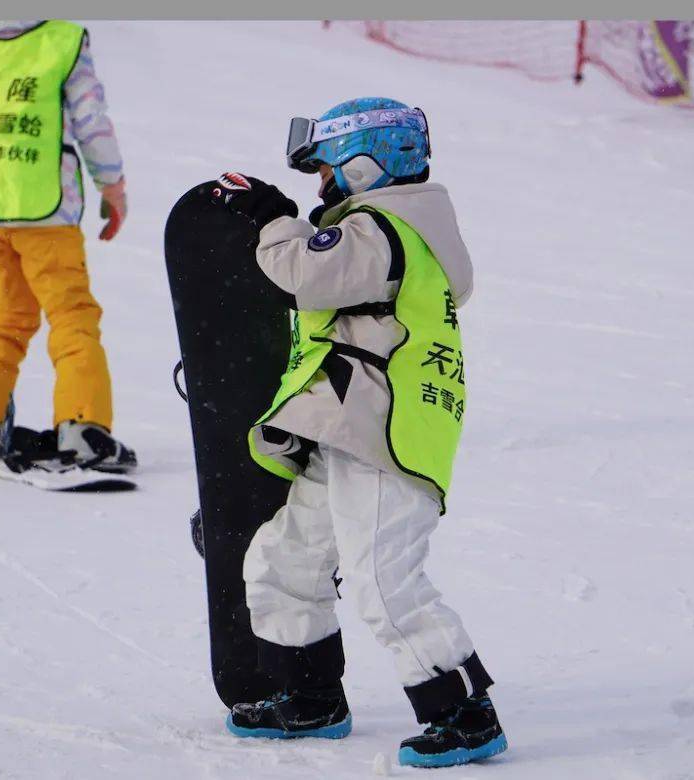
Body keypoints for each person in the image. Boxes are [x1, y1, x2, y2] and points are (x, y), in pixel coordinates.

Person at [215, 98, 506, 768]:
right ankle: (311, 697)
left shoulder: (386, 229)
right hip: (350, 430)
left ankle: (464, 714)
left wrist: (270, 220)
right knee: (284, 562)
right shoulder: (387, 228)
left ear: (368, 164)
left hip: (385, 435)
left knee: (384, 580)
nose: (322, 185)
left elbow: (305, 274)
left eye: (328, 169)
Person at [0, 20, 135, 471]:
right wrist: (112, 186)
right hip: (41, 208)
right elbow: (91, 121)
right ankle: (82, 427)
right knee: (71, 314)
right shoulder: (61, 41)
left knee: (8, 312)